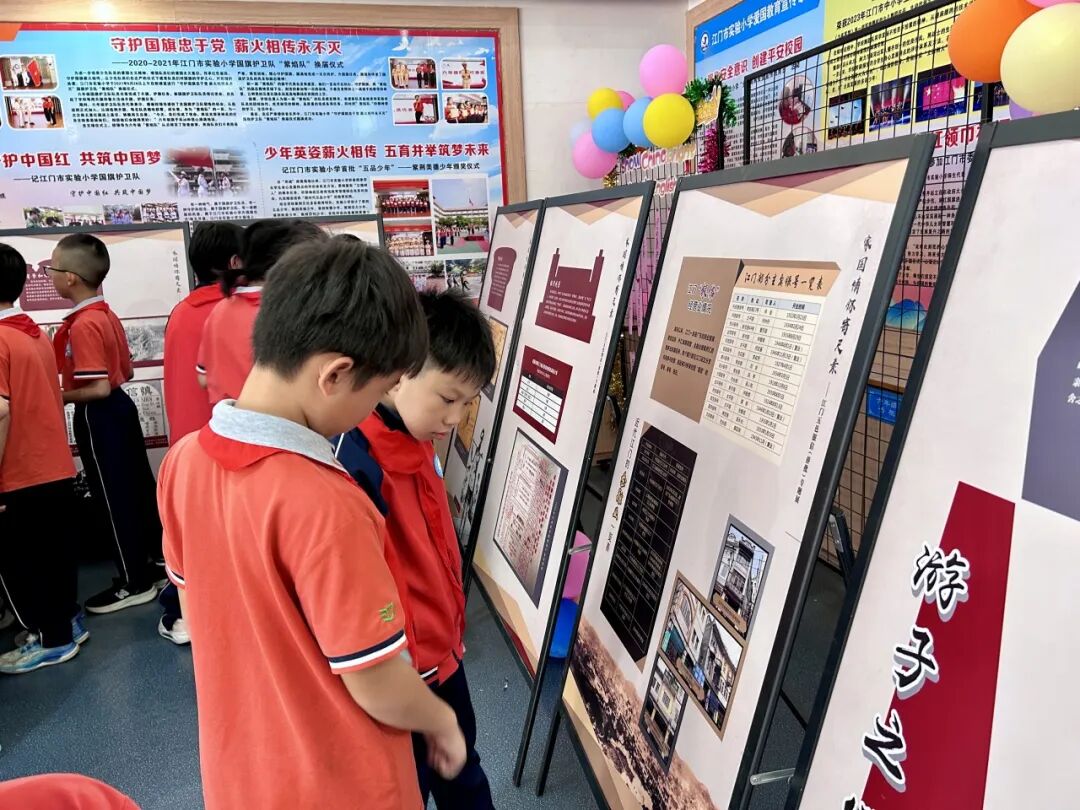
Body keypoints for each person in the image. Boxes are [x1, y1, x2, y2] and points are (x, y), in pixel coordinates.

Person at [158, 237, 466, 810]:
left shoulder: (183, 462)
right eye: (379, 391)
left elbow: (200, 615)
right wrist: (440, 721)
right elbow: (375, 680)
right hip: (344, 781)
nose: (374, 408)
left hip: (241, 774)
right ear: (336, 375)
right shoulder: (327, 502)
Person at [334, 289, 496, 809]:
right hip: (400, 673)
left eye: (467, 404)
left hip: (444, 655)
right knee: (406, 789)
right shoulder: (352, 459)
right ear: (399, 372)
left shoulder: (419, 436)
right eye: (447, 399)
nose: (455, 418)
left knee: (464, 770)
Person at [48, 234, 162, 614]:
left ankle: (134, 582)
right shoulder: (105, 314)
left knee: (113, 500)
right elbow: (126, 372)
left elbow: (97, 387)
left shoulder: (84, 325)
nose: (49, 275)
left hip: (99, 414)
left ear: (70, 278)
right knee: (136, 490)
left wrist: (56, 396)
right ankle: (152, 566)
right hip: (120, 408)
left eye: (52, 268)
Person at [0, 244, 84, 674]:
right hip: (53, 466)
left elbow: (0, 411)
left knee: (23, 563)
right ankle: (66, 625)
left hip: (19, 471)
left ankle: (50, 639)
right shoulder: (32, 332)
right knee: (55, 556)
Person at [159, 221, 243, 646]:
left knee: (193, 539)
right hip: (227, 444)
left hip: (187, 448)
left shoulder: (182, 311)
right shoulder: (232, 311)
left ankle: (183, 612)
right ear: (235, 262)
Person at [197, 219, 325, 407]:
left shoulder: (220, 310)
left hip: (229, 418)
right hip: (276, 420)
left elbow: (203, 378)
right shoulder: (285, 312)